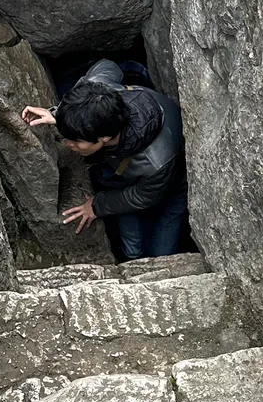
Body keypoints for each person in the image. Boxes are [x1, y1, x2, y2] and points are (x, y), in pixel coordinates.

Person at [21, 59, 188, 260]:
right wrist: (61, 114)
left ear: (105, 138)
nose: (67, 144)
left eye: (75, 140)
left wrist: (96, 205)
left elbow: (142, 197)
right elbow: (108, 65)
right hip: (130, 172)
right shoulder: (102, 93)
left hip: (173, 185)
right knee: (132, 251)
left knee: (161, 256)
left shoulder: (157, 160)